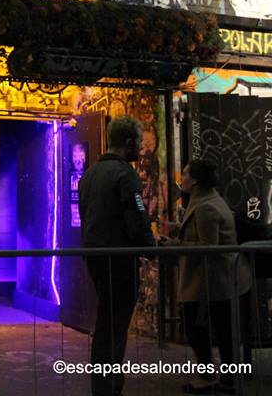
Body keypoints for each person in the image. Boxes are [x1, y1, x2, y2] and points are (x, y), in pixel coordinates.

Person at [161, 159, 252, 394]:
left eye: (186, 175)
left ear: (196, 181)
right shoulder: (208, 200)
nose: (182, 179)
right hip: (218, 279)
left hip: (211, 281)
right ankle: (225, 378)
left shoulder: (206, 206)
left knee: (197, 327)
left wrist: (173, 244)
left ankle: (212, 375)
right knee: (221, 329)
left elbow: (206, 245)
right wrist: (177, 226)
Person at [79, 115, 155, 396]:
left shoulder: (89, 174)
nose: (142, 149)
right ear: (128, 142)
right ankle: (110, 387)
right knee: (116, 326)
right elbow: (136, 219)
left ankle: (102, 385)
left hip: (96, 257)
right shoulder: (125, 175)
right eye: (139, 143)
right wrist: (151, 249)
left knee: (105, 323)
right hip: (119, 260)